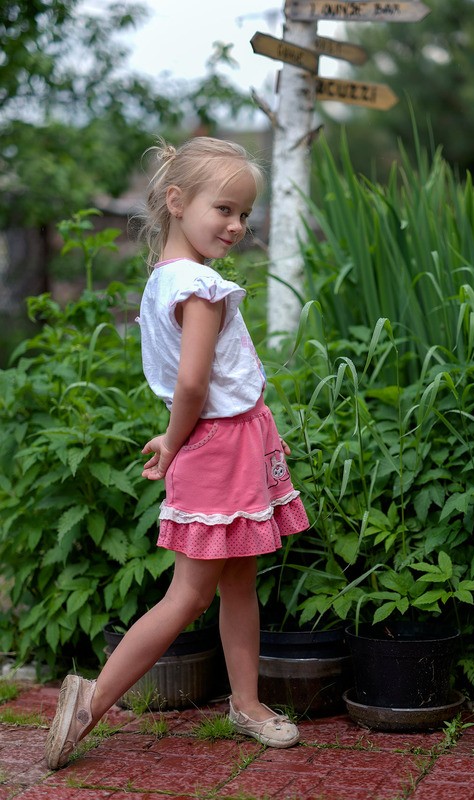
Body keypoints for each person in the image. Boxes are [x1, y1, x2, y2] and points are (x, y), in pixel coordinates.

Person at [45, 136, 309, 770]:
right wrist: (184, 434)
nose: (237, 225)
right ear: (176, 200)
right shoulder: (197, 285)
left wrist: (173, 435)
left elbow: (195, 385)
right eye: (224, 209)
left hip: (229, 440)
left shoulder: (166, 276)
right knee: (190, 595)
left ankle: (245, 703)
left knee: (238, 580)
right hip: (220, 447)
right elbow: (191, 384)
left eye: (244, 213)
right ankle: (91, 703)